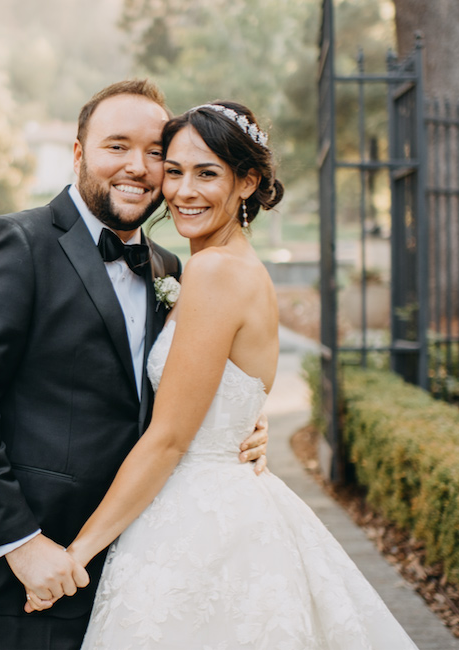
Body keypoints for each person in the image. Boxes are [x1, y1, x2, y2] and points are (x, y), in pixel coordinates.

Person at [28, 102, 420, 649]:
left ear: (247, 182)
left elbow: (168, 439)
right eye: (176, 171)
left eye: (207, 173)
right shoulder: (221, 266)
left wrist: (77, 554)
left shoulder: (214, 271)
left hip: (197, 527)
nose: (184, 191)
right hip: (227, 505)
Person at [0, 81, 269, 650]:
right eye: (117, 146)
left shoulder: (172, 269)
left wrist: (240, 428)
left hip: (140, 571)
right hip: (27, 577)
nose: (137, 166)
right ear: (80, 152)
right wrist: (19, 543)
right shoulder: (16, 243)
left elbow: (180, 397)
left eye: (156, 152)